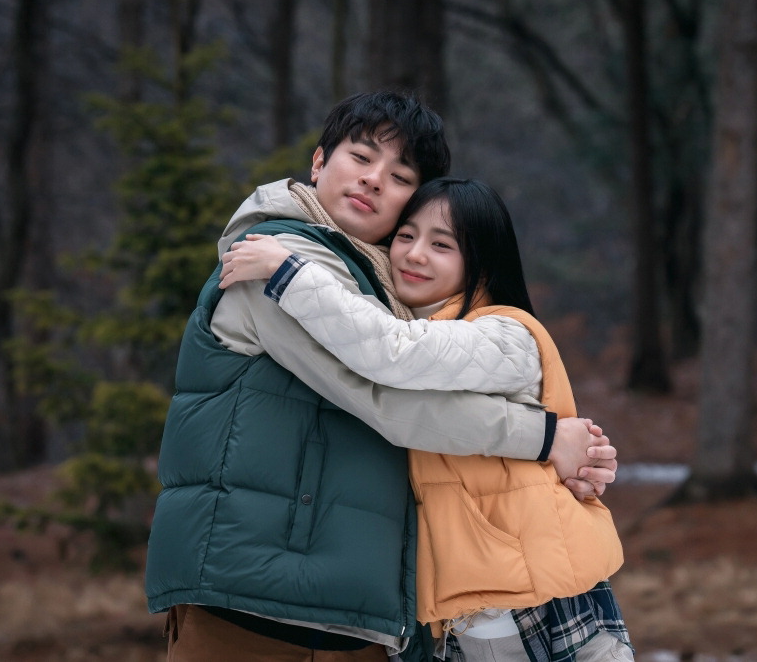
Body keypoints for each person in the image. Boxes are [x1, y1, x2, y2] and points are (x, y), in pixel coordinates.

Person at [144, 92, 619, 662]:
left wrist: (576, 455)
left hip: (358, 616)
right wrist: (545, 439)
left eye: (399, 177)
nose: (373, 180)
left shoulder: (384, 289)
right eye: (361, 157)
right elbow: (384, 400)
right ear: (319, 162)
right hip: (249, 603)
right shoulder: (276, 259)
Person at [220, 177, 634, 661]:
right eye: (405, 236)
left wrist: (289, 273)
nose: (414, 255)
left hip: (534, 593)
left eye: (441, 245)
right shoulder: (427, 331)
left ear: (482, 261)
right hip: (466, 609)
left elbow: (392, 352)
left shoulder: (505, 333)